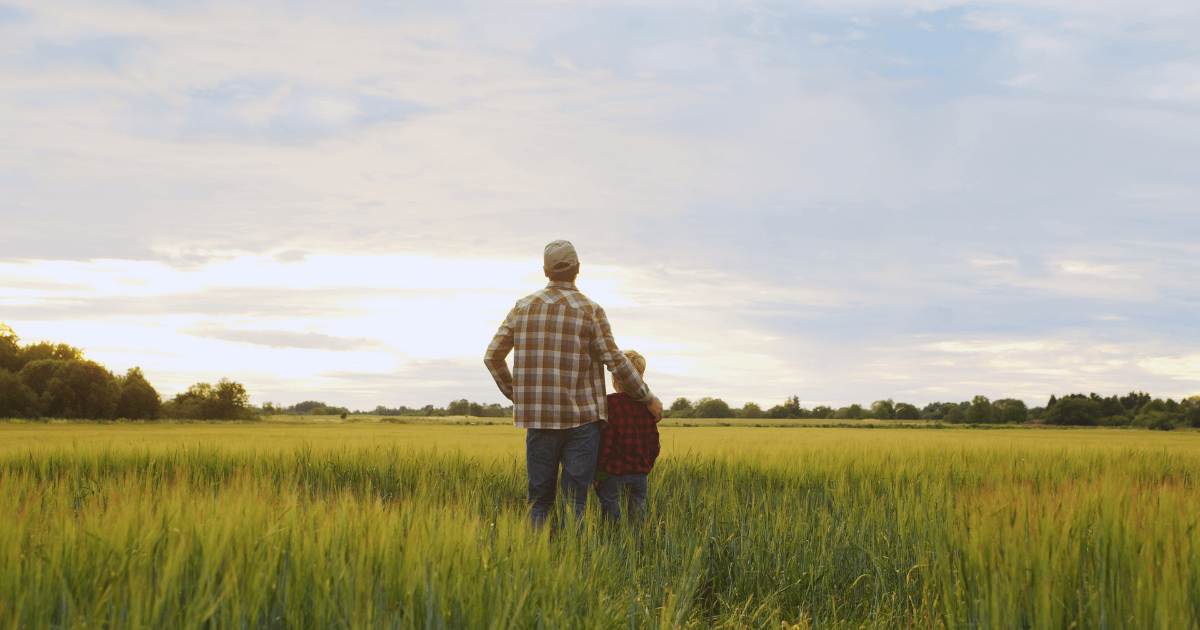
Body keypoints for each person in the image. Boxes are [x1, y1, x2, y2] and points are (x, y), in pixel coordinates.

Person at [484, 240, 663, 527]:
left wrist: (518, 396)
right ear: (578, 269)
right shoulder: (591, 310)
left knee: (540, 499)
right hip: (583, 424)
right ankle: (573, 559)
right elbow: (616, 362)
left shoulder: (522, 308)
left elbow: (492, 357)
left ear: (545, 271)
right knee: (574, 500)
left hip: (539, 420)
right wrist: (647, 398)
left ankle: (538, 561)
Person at [594, 349, 659, 524]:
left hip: (611, 474)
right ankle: (637, 551)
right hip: (639, 475)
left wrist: (598, 475)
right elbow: (654, 445)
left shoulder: (609, 404)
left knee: (611, 522)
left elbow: (605, 445)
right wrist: (645, 467)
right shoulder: (647, 406)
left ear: (615, 378)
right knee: (637, 521)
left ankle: (614, 549)